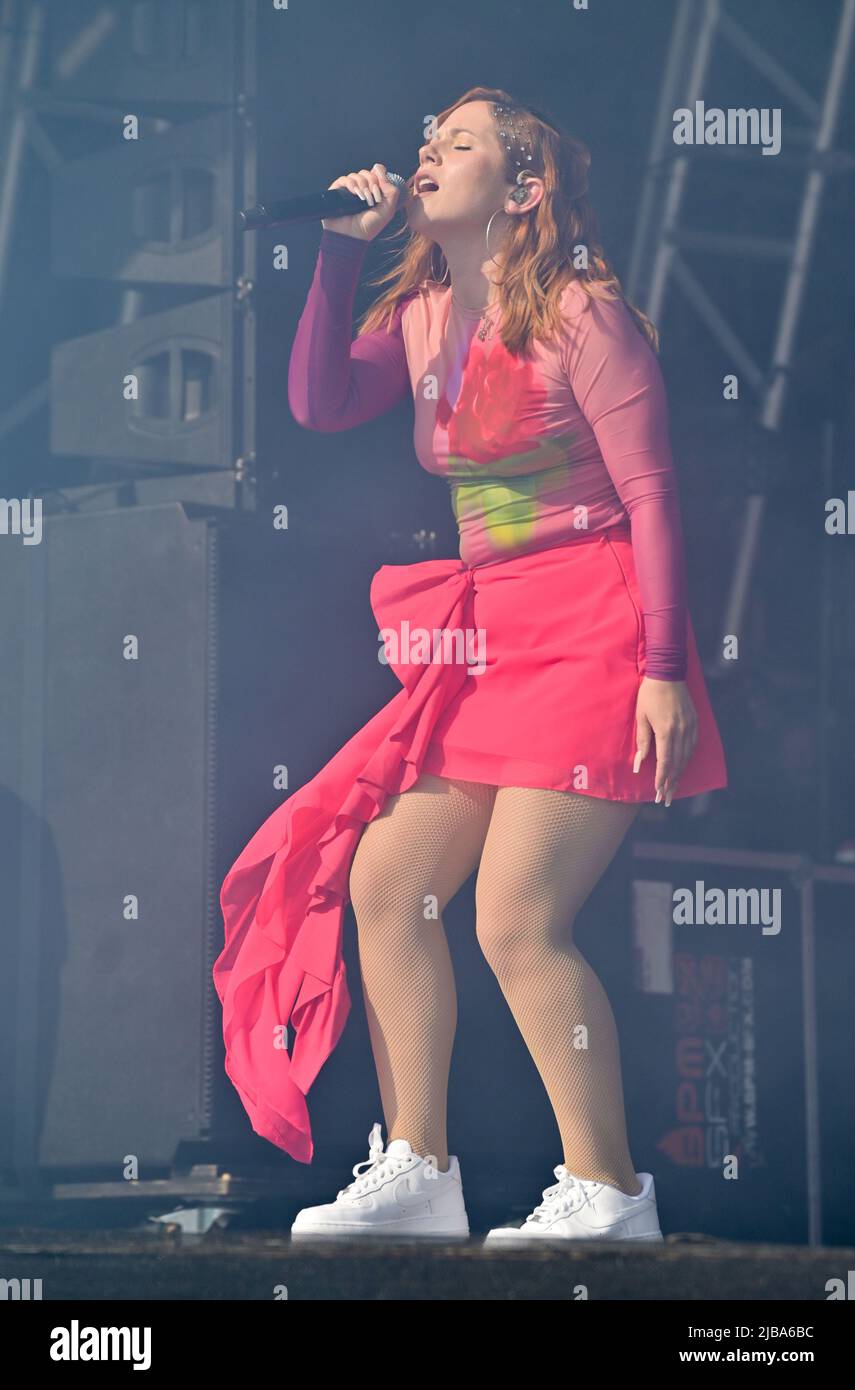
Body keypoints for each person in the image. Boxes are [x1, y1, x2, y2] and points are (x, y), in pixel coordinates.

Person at [213, 87, 727, 1243]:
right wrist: (341, 262)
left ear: (525, 186)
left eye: (460, 143)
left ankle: (609, 1190)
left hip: (597, 625)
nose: (428, 155)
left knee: (514, 914)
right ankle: (418, 1169)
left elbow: (651, 495)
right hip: (490, 632)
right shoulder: (428, 311)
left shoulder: (587, 316)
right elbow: (320, 399)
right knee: (390, 881)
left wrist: (662, 666)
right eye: (426, 142)